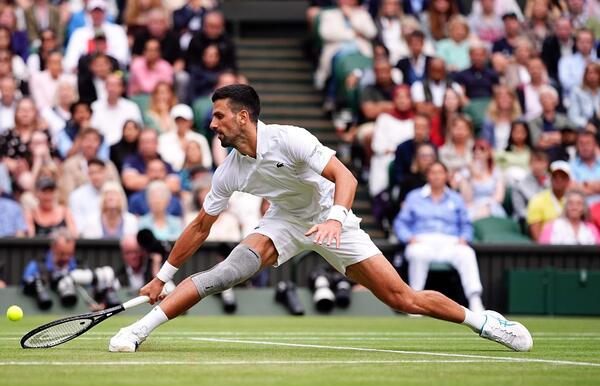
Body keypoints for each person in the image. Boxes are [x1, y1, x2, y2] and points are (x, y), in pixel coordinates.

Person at [109, 84, 532, 353]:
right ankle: (137, 332)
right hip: (285, 222)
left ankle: (487, 323)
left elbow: (343, 176)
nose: (212, 123)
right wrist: (162, 276)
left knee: (403, 300)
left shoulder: (291, 138)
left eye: (218, 116)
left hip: (334, 218)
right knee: (227, 272)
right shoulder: (230, 169)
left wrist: (336, 218)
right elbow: (201, 226)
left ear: (242, 116)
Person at [394, 161, 485, 312]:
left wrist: (464, 238)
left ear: (447, 176)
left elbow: (466, 224)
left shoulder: (456, 198)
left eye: (440, 172)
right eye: (433, 172)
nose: (436, 176)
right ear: (427, 176)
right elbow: (400, 223)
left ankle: (475, 301)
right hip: (422, 240)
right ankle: (415, 302)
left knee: (467, 253)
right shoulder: (414, 197)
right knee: (416, 253)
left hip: (450, 242)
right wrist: (408, 237)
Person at [90, 73, 143, 147]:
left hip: (126, 147)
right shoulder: (95, 107)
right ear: (105, 87)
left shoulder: (131, 107)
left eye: (116, 85)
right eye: (110, 85)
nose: (112, 89)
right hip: (101, 147)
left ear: (122, 88)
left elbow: (138, 130)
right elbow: (92, 130)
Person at [459, 139, 506, 220]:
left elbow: (499, 198)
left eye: (482, 149)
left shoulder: (496, 172)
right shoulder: (465, 173)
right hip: (472, 207)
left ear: (488, 153)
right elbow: (467, 199)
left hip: (492, 206)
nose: (478, 152)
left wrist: (486, 206)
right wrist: (471, 175)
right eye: (474, 150)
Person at [158, 103, 212, 171]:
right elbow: (164, 162)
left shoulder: (200, 139)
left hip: (198, 174)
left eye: (184, 120)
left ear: (191, 122)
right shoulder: (163, 139)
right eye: (177, 120)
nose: (180, 123)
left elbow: (207, 162)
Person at [527, 160, 571, 241]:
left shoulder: (575, 201)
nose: (559, 179)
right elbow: (536, 237)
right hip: (548, 248)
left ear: (568, 180)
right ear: (550, 178)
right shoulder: (537, 200)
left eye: (563, 176)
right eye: (555, 176)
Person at [68, 158, 112, 232]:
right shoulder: (77, 196)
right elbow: (78, 225)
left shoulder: (114, 192)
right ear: (87, 175)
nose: (95, 176)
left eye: (99, 172)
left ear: (105, 172)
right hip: (86, 239)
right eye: (91, 173)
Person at [511, 150, 550, 228]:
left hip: (549, 219)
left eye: (541, 162)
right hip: (526, 221)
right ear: (529, 164)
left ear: (547, 165)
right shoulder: (519, 184)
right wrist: (537, 219)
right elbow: (520, 211)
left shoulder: (552, 181)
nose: (538, 166)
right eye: (535, 162)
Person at [569, 129, 600, 204]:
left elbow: (577, 189)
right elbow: (572, 191)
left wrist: (584, 185)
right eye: (581, 143)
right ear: (577, 146)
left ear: (595, 145)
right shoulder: (570, 165)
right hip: (582, 212)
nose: (585, 147)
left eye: (588, 143)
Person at [568, 62, 600, 128]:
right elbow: (573, 116)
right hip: (584, 126)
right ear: (585, 75)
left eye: (595, 73)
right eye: (589, 73)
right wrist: (586, 124)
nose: (592, 76)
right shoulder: (577, 91)